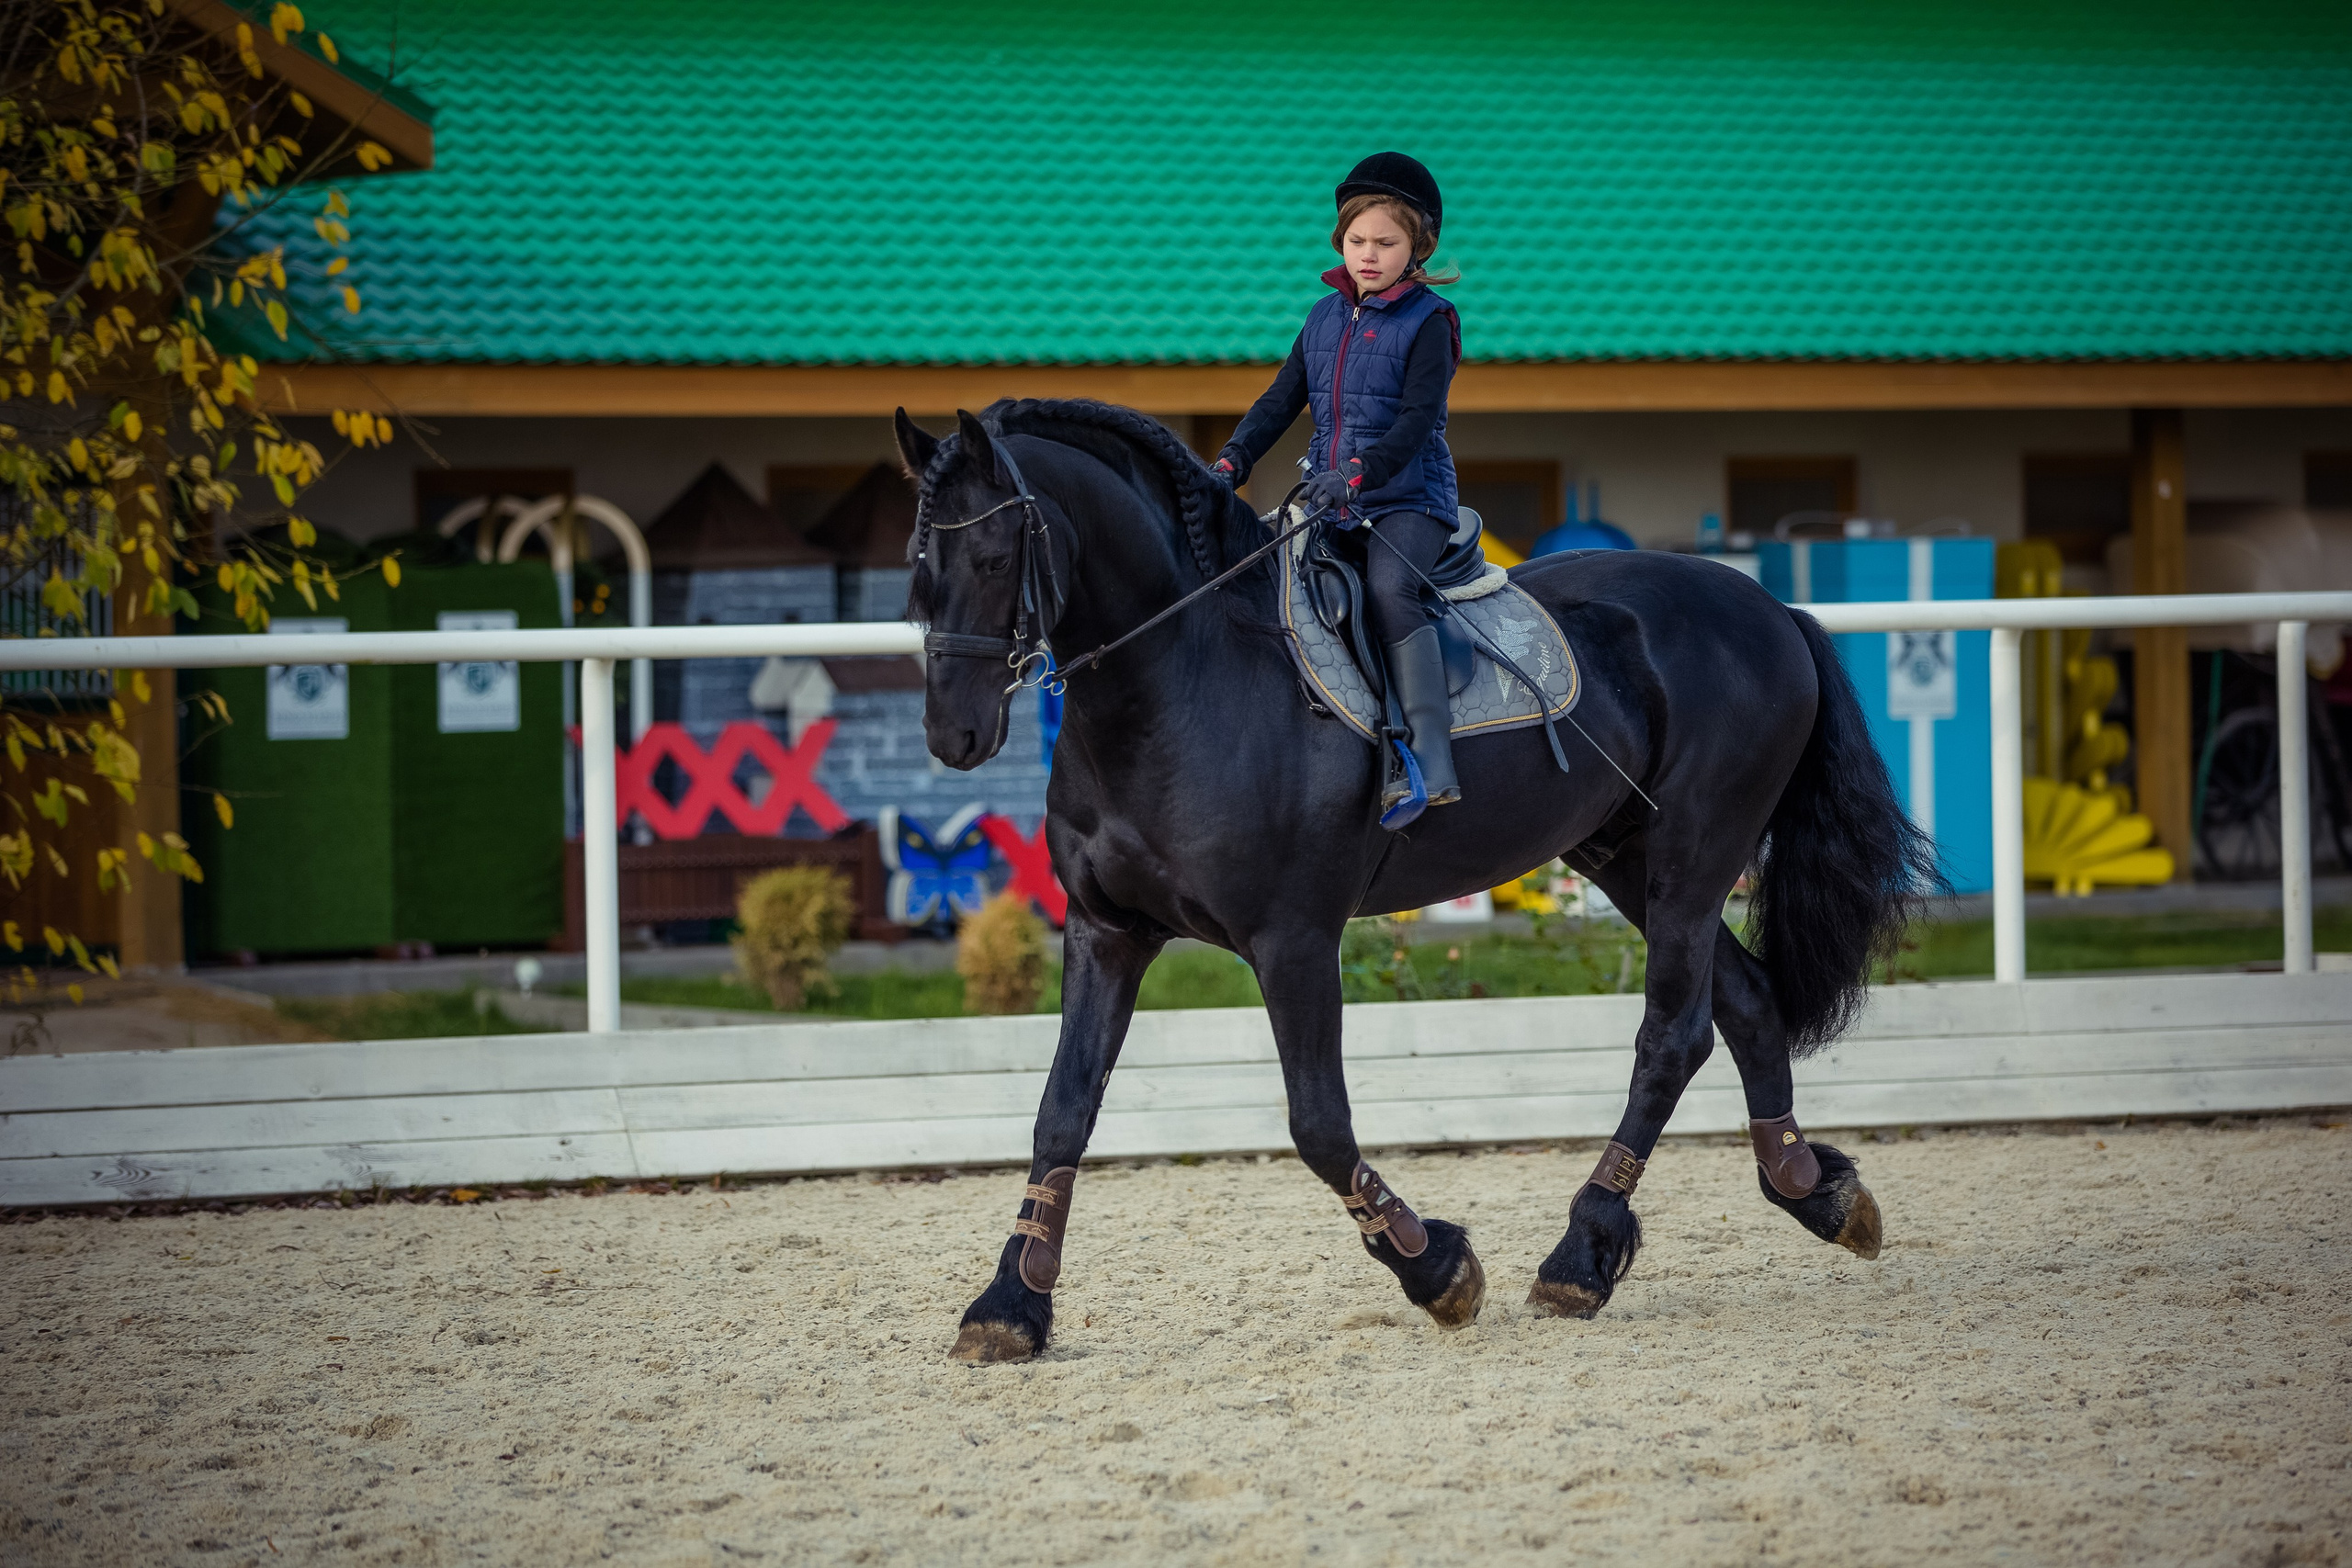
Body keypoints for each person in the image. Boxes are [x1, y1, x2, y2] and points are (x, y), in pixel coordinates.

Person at [1212, 152, 1469, 810]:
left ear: (1418, 246)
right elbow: (1278, 402)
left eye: (1386, 242)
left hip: (1410, 499)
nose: (1369, 254)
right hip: (1334, 502)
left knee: (1387, 588)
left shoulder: (1431, 322)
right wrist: (1231, 462)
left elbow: (1415, 423)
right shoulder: (1323, 317)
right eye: (1357, 241)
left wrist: (1355, 476)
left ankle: (1429, 758)